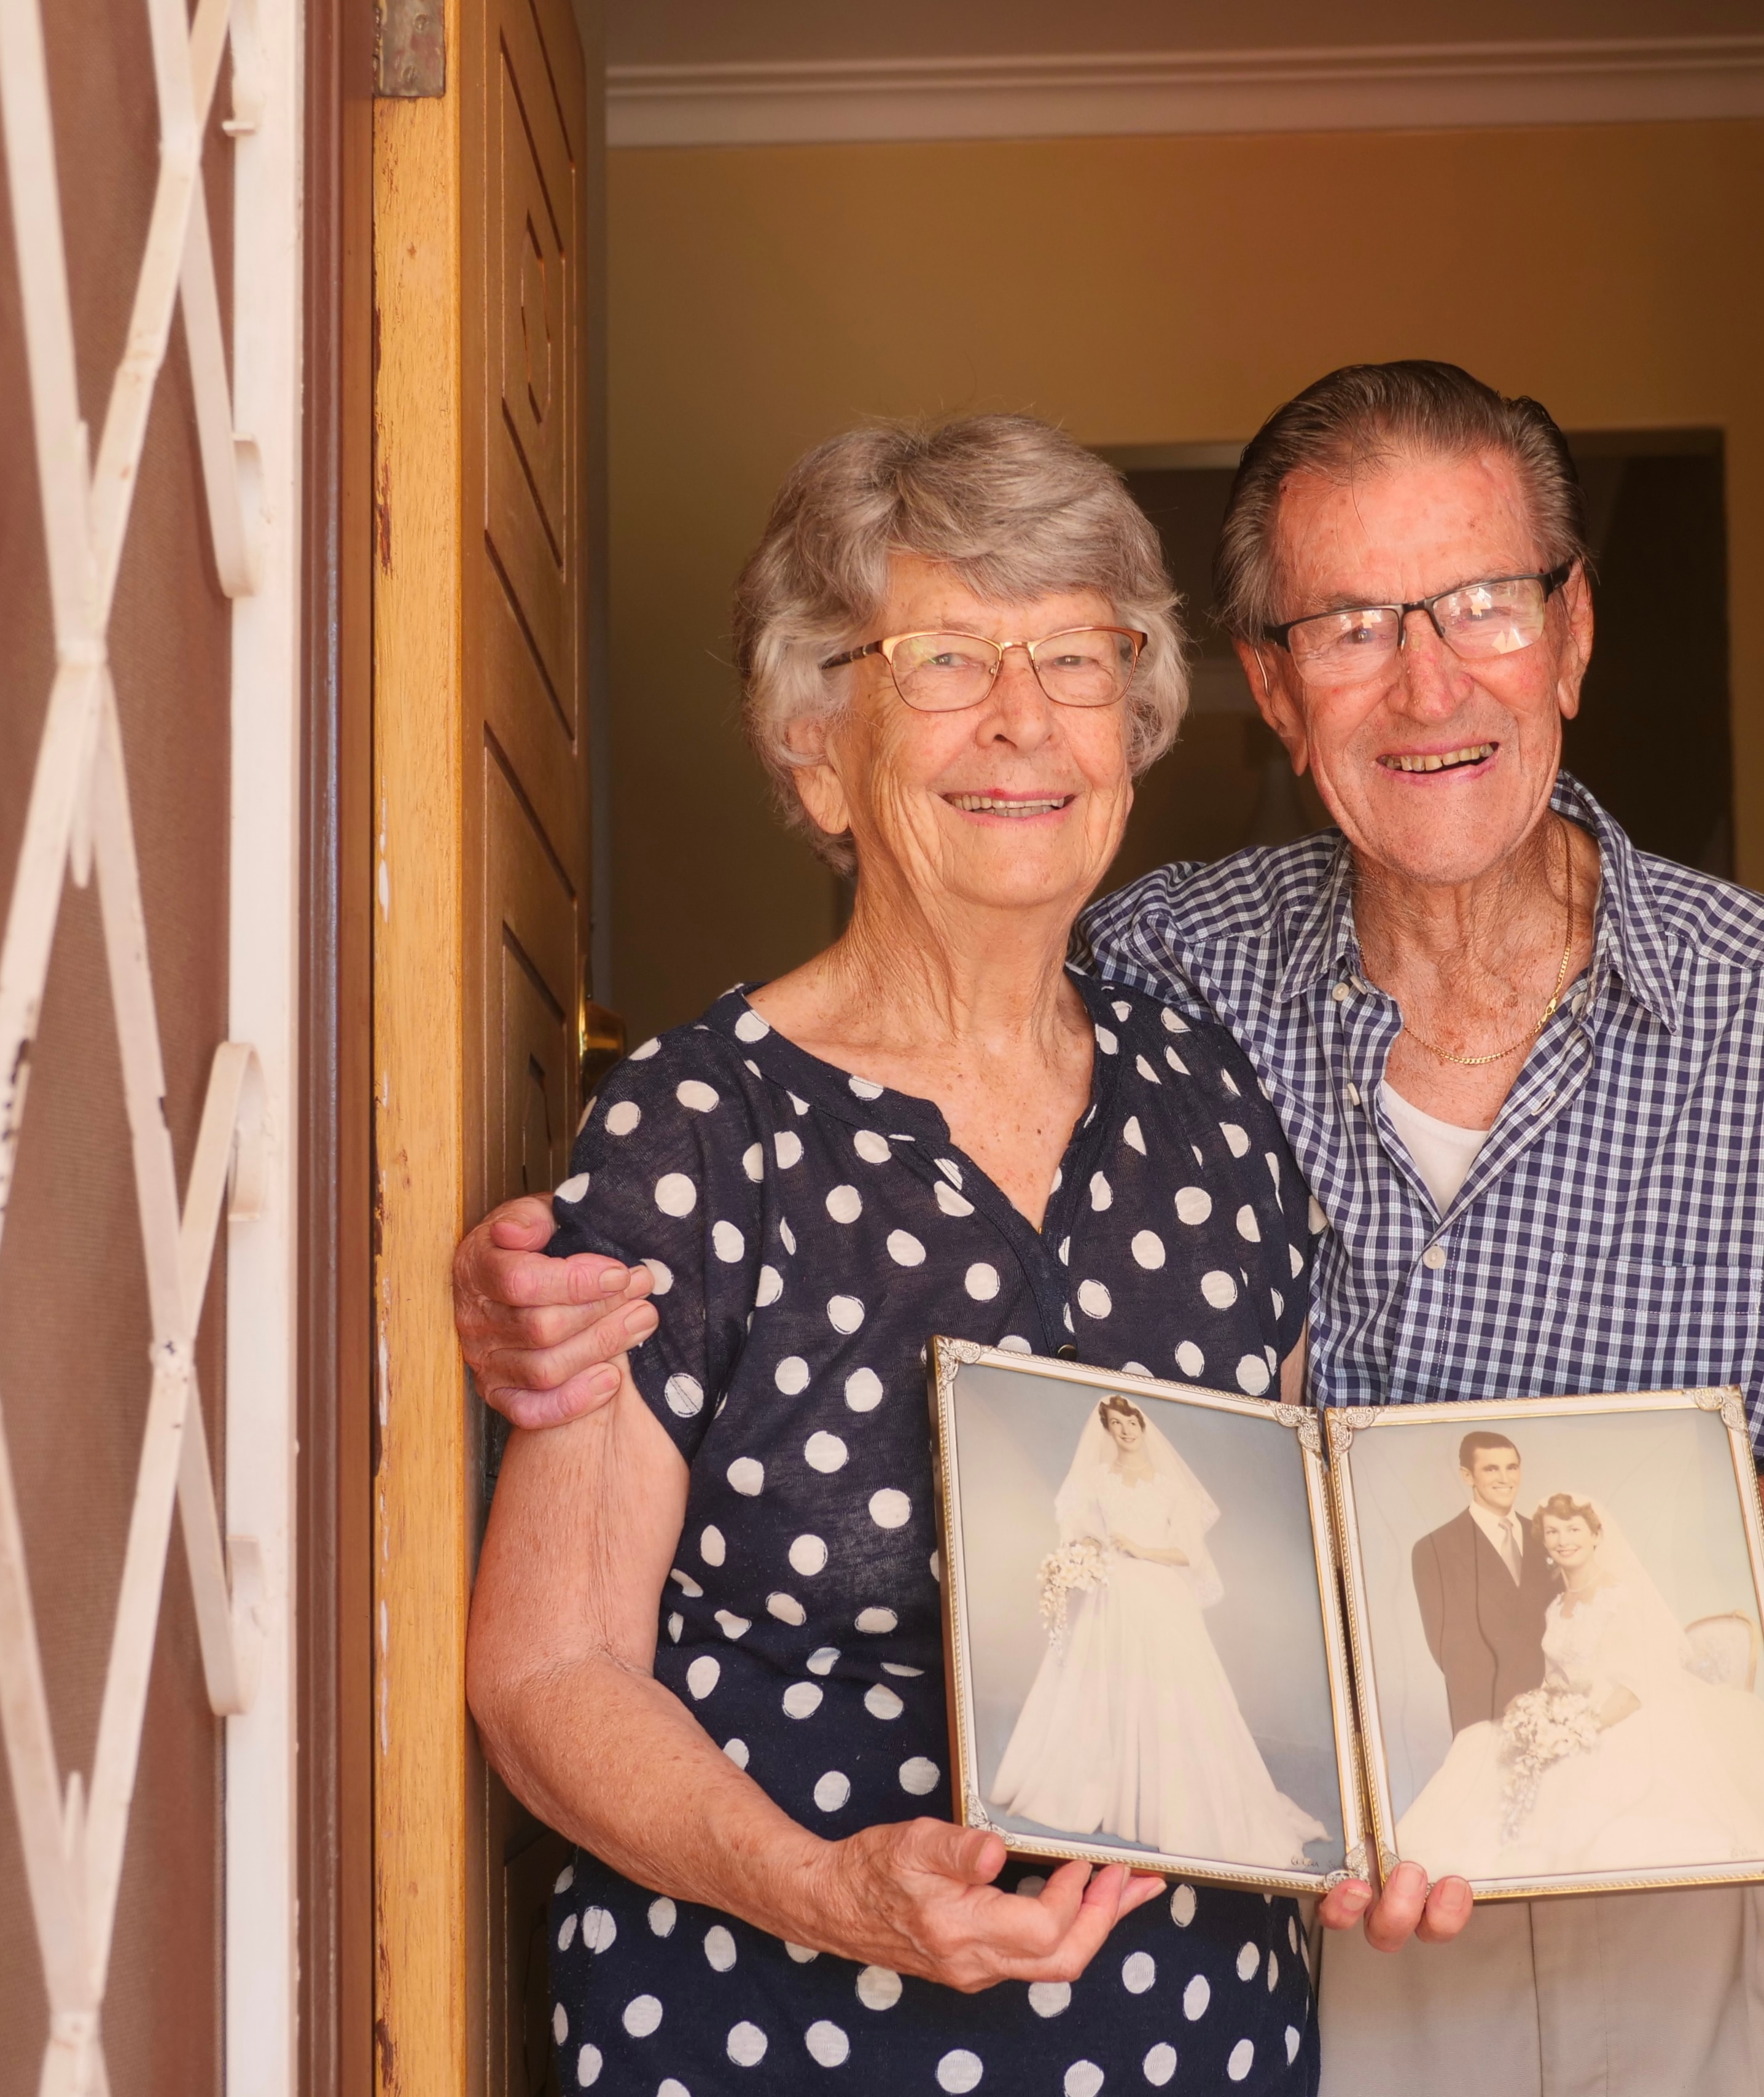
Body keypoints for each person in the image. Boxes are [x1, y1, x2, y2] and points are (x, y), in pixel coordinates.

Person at [459, 361, 1764, 2094]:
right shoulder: (1158, 979)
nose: (1428, 681)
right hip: (1234, 1945)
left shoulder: (1762, 1009)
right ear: (1272, 688)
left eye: (1484, 604)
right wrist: (513, 1270)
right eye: (1351, 624)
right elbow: (560, 1623)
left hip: (1694, 1861)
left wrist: (1448, 1588)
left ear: (1568, 636)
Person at [463, 415, 1332, 2096]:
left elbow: (1292, 1600)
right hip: (781, 2022)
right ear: (814, 750)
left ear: (1134, 731)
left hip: (1195, 2033)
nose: (1023, 719)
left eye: (1077, 656)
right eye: (942, 658)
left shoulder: (1211, 1104)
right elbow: (544, 1669)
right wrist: (821, 1883)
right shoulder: (697, 1125)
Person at [990, 1392, 1330, 1869]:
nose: (1125, 1430)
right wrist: (1079, 1558)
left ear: (1143, 1424)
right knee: (1104, 1688)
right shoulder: (1096, 1479)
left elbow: (1187, 1554)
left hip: (1160, 1594)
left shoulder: (1172, 1487)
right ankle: (1106, 1797)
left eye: (1131, 1421)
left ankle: (1159, 1804)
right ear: (1107, 1430)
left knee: (1170, 1692)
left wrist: (1141, 1549)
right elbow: (1077, 1525)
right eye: (1115, 1423)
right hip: (1111, 1593)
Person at [1393, 1493, 1764, 1883]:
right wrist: (1537, 1706)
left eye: (1573, 1529)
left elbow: (1637, 1687)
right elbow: (1558, 1677)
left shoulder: (1619, 1598)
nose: (1563, 1540)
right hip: (1574, 1712)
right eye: (1552, 1532)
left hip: (1624, 1715)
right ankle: (1429, 1871)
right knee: (1480, 1744)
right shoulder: (1557, 1605)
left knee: (1574, 1781)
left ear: (1596, 1535)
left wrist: (1580, 1727)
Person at [1408, 1431, 1558, 1734]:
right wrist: (1513, 1703)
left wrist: (1550, 1696)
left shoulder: (1548, 1538)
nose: (1505, 1478)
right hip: (1484, 1710)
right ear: (1467, 1476)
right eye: (1491, 1469)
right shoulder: (1435, 1549)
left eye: (1511, 1467)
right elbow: (1447, 1647)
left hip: (1554, 1706)